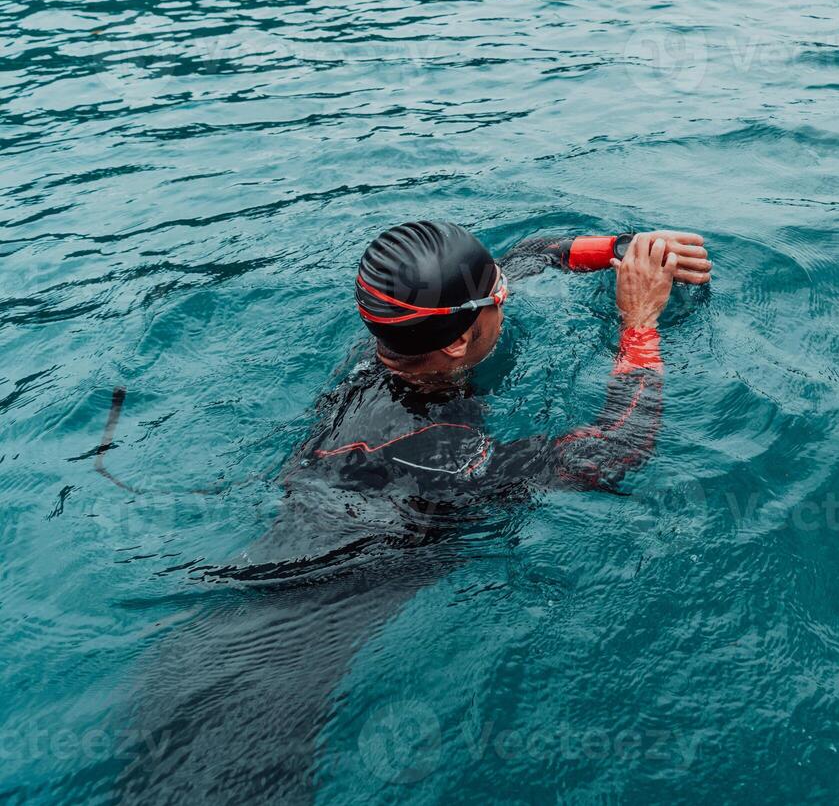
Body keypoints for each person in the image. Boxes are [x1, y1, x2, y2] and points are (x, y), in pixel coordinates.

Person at [115, 221, 712, 805]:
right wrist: (639, 325)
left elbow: (527, 254)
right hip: (276, 681)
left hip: (200, 640)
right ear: (456, 340)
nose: (508, 294)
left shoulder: (374, 356)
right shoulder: (441, 452)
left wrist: (621, 250)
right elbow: (615, 449)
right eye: (499, 297)